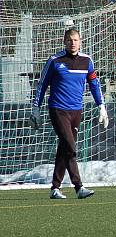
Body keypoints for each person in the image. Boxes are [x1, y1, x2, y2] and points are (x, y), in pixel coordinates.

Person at [30, 28, 109, 199]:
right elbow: (42, 84)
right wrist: (35, 108)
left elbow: (94, 85)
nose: (72, 43)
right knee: (71, 146)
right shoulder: (54, 60)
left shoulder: (87, 61)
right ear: (64, 42)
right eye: (69, 40)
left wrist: (101, 106)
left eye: (75, 40)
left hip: (76, 111)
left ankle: (55, 187)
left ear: (80, 42)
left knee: (65, 148)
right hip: (58, 110)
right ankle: (79, 186)